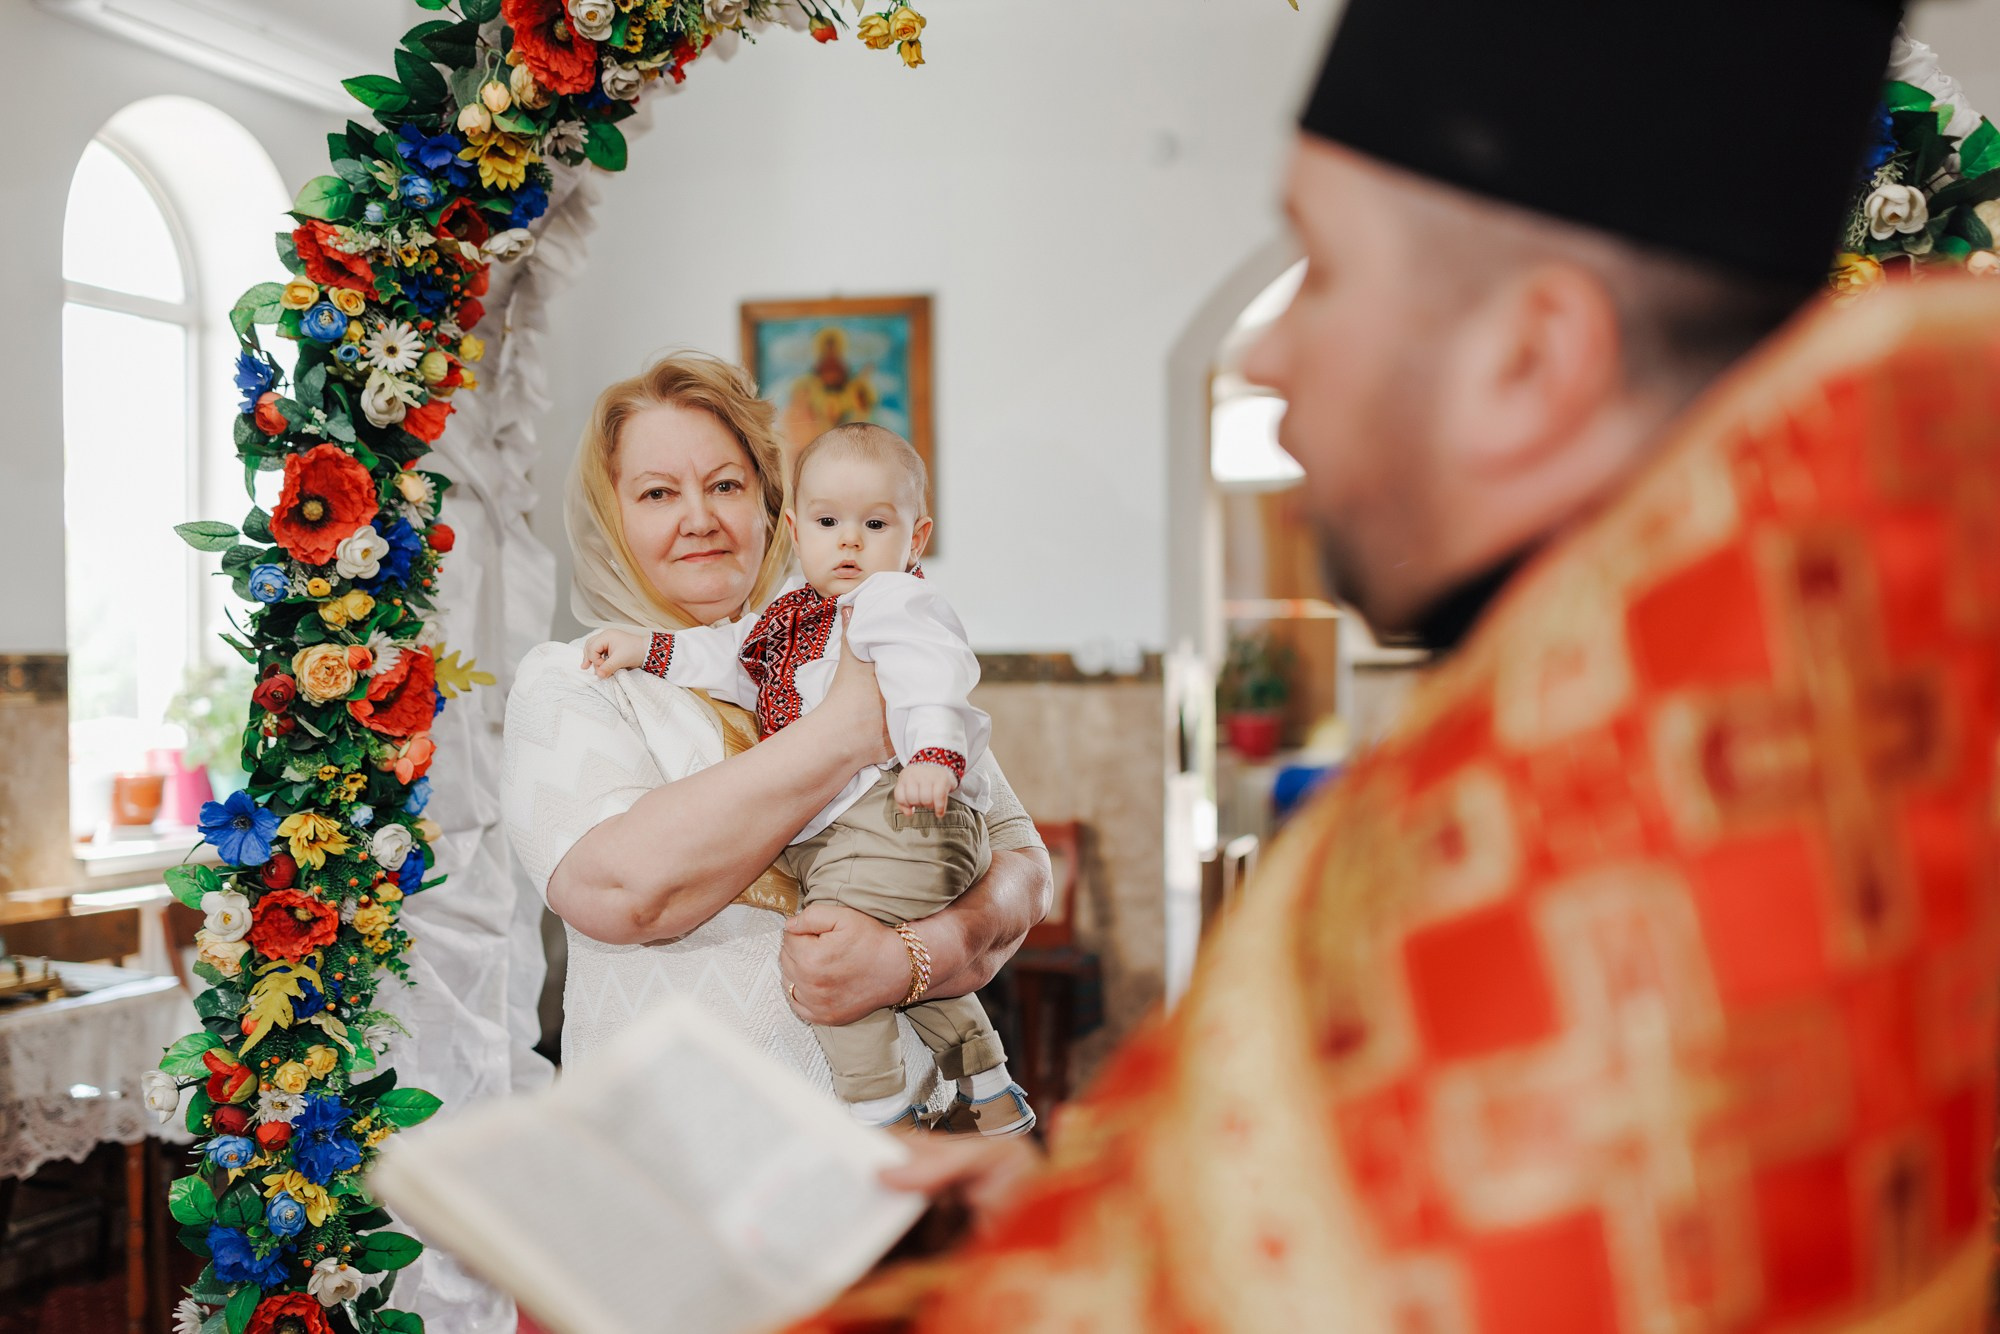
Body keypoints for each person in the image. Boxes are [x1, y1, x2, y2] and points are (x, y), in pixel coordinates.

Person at [799, 0, 2000, 1329]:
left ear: (1533, 359)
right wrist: (1070, 1214)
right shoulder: (1691, 698)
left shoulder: (1679, 838)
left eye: (1321, 266)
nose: (1262, 350)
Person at [499, 354, 1051, 1118]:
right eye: (658, 493)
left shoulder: (863, 631)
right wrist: (847, 732)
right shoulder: (573, 681)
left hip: (905, 1156)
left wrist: (914, 960)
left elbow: (1022, 865)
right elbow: (622, 893)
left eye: (726, 485)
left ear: (770, 507)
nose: (701, 519)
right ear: (611, 515)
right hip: (686, 1154)